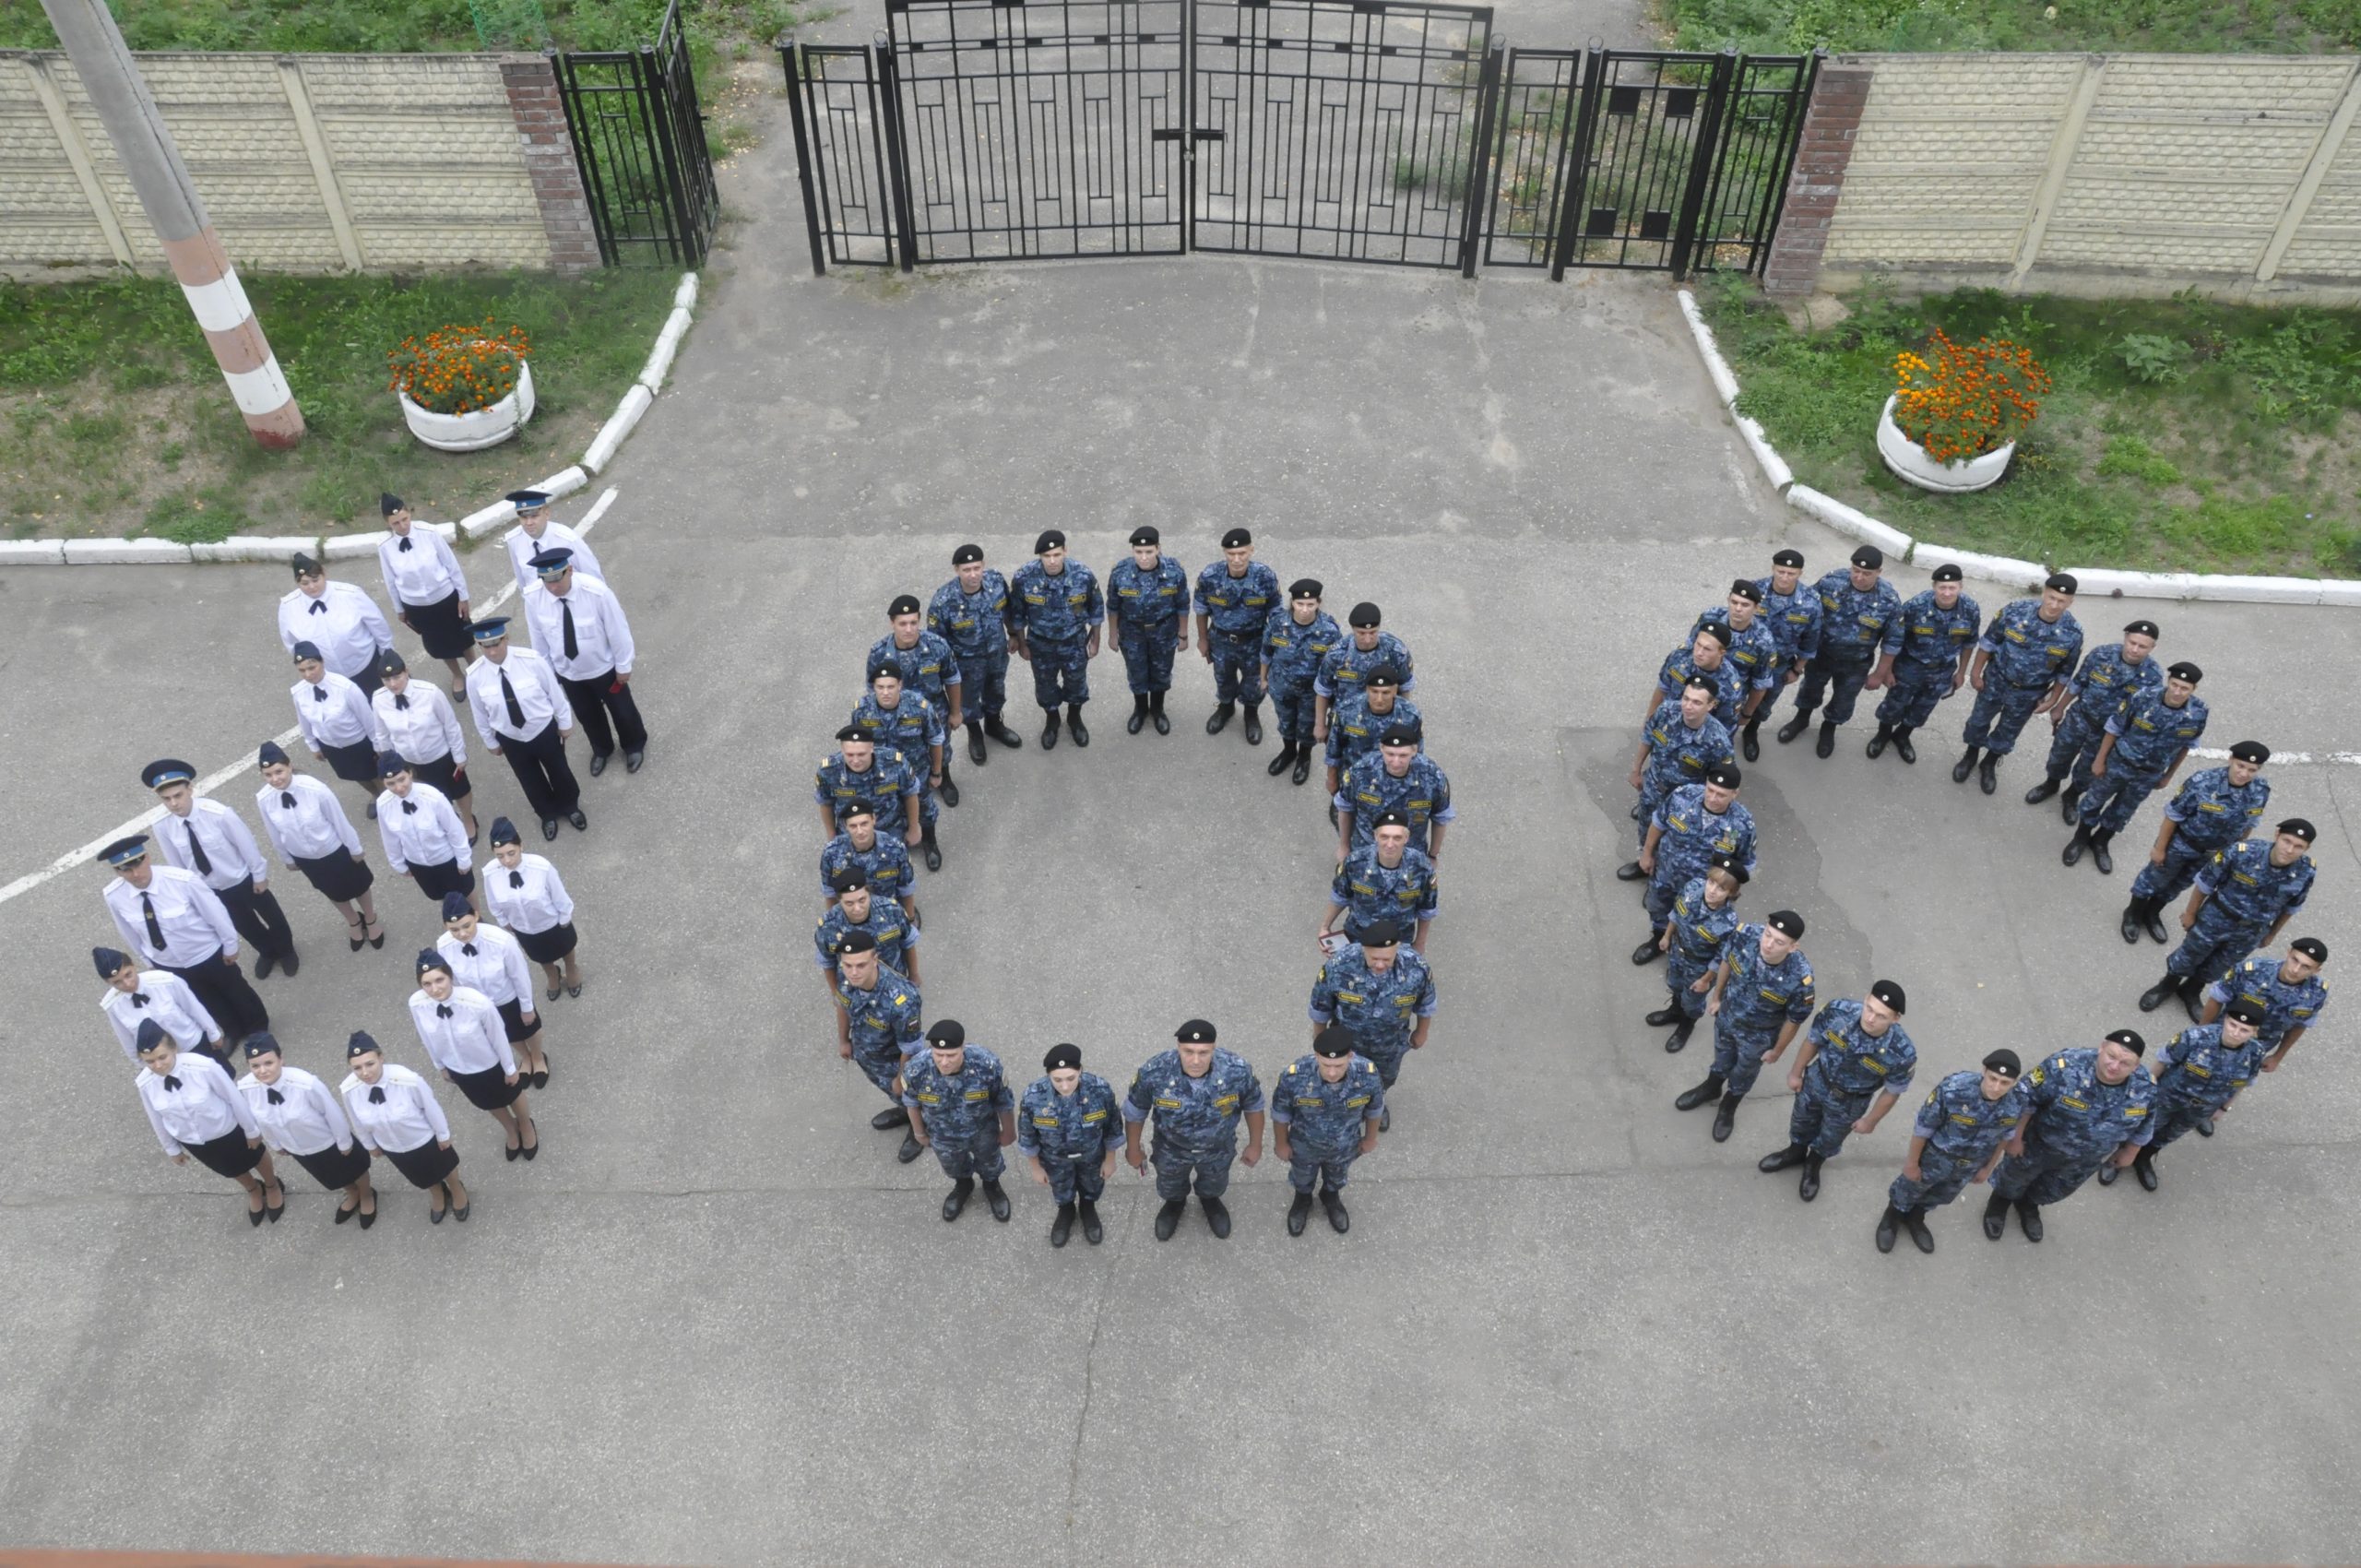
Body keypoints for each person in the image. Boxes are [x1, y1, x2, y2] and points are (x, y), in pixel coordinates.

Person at [1983, 1031, 2155, 1242]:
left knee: (2053, 1189)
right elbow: (2026, 1097)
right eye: (2111, 1056)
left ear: (2135, 1066)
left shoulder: (2145, 1087)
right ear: (2101, 1048)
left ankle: (2028, 1206)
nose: (2114, 1066)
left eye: (2125, 1063)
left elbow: (2147, 1119)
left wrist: (2132, 1150)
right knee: (2013, 1179)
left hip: (2085, 1160)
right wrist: (2016, 1138)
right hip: (2036, 1147)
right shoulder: (2064, 1067)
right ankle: (1999, 1204)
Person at [2139, 820, 2318, 1021]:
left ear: (2306, 848)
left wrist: (2272, 933)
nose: (2290, 849)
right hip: (2217, 918)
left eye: (2298, 846)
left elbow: (2291, 907)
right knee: (2189, 954)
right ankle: (2167, 985)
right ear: (2277, 835)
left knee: (2219, 965)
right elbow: (2205, 882)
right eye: (2287, 841)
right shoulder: (2243, 852)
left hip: (2251, 931)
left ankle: (2190, 991)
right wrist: (2190, 913)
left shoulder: (2306, 872)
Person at [1758, 980, 1915, 1201]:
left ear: (1895, 1018)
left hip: (1849, 1102)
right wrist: (1795, 1072)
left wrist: (1871, 1120)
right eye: (1870, 1008)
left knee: (1830, 1138)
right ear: (1866, 999)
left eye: (1881, 1016)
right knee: (1801, 1121)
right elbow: (1813, 1040)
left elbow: (1892, 1091)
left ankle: (1813, 1165)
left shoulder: (1902, 1052)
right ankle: (1795, 1152)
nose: (1870, 1018)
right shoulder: (1838, 1012)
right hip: (1816, 1082)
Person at [99, 833, 267, 1039]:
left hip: (206, 952)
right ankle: (232, 1030)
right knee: (204, 999)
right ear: (117, 872)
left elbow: (216, 914)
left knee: (236, 991)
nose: (136, 873)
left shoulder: (181, 881)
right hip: (168, 961)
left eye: (138, 864)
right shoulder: (114, 896)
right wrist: (147, 959)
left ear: (147, 858)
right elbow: (127, 931)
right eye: (126, 869)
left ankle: (258, 1027)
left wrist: (230, 945)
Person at [142, 756, 297, 980]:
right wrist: (190, 894)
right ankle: (267, 952)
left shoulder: (218, 813)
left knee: (271, 915)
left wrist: (259, 875)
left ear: (190, 789)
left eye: (178, 795)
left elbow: (246, 845)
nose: (174, 803)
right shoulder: (162, 825)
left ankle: (286, 950)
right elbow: (176, 863)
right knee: (242, 923)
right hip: (210, 888)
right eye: (166, 799)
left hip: (241, 878)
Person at [2102, 1000, 2268, 1193]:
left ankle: (2144, 1159)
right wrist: (2144, 1093)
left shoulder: (2255, 1053)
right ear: (2225, 1020)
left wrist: (2224, 1108)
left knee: (2168, 1136)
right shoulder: (2195, 1037)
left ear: (2254, 1032)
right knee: (2142, 1129)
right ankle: (2117, 1159)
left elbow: (2242, 1085)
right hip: (2166, 1098)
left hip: (2200, 1109)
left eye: (2244, 1030)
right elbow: (2163, 1062)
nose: (2235, 1033)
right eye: (2233, 1024)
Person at [1122, 1019, 1265, 1241]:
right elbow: (1135, 1112)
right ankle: (1174, 1204)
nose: (1196, 1060)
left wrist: (1255, 1144)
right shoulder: (1155, 1072)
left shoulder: (1236, 1071)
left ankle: (1210, 1201)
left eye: (1203, 1052)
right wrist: (1133, 1148)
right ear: (1178, 1047)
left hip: (1218, 1148)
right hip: (1171, 1149)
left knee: (1215, 1182)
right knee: (1170, 1185)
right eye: (1188, 1051)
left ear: (1214, 1048)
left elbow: (1254, 1106)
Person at [1678, 909, 1812, 1137]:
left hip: (1758, 1036)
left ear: (1792, 947)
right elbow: (1727, 962)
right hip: (1728, 1017)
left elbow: (1794, 1019)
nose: (1768, 944)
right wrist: (1717, 997)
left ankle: (1729, 1105)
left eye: (1779, 942)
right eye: (1768, 934)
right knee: (1721, 1057)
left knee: (1744, 1072)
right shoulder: (1746, 935)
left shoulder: (1800, 979)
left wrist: (1777, 1051)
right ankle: (1711, 1088)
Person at [2120, 741, 2271, 944]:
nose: (2244, 773)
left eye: (2252, 770)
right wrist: (2160, 847)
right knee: (2154, 879)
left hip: (2213, 854)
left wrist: (2234, 855)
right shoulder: (2203, 781)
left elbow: (2249, 823)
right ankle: (2133, 913)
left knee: (2178, 885)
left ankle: (2152, 912)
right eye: (2240, 766)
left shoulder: (2260, 791)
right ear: (2231, 760)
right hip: (2182, 844)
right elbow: (2173, 815)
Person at [1875, 1050, 2025, 1254]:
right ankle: (1891, 1218)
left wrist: (1988, 1168)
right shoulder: (1954, 1089)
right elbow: (1923, 1128)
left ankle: (1916, 1219)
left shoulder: (2015, 1104)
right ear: (1984, 1071)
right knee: (1909, 1189)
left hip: (1968, 1166)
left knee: (1939, 1196)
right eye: (1993, 1078)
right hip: (1934, 1159)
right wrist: (1912, 1163)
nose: (1996, 1087)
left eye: (2005, 1083)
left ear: (2014, 1083)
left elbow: (2004, 1138)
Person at [2064, 661, 2208, 873]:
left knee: (2123, 811)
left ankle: (2101, 842)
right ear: (2168, 681)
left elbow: (2186, 746)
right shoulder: (2143, 697)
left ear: (2193, 689)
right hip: (2120, 763)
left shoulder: (2198, 713)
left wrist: (2168, 775)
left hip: (2149, 774)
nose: (2177, 692)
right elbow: (2114, 727)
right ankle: (2080, 838)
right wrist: (2100, 759)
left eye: (2184, 688)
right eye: (2175, 685)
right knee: (2094, 801)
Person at [133, 1023, 280, 1226]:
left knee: (253, 1156)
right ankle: (254, 1189)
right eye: (150, 1061)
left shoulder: (203, 1067)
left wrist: (251, 1130)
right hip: (193, 1139)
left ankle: (272, 1185)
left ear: (174, 1049)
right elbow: (155, 1117)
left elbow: (233, 1098)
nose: (158, 1066)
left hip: (226, 1129)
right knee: (229, 1168)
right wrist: (171, 1148)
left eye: (162, 1057)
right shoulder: (145, 1082)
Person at [522, 546, 646, 778]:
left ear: (569, 570)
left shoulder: (596, 592)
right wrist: (547, 674)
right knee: (587, 714)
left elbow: (617, 630)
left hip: (604, 668)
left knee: (622, 710)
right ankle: (602, 749)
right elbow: (538, 638)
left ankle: (634, 744)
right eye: (546, 581)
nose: (552, 587)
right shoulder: (534, 597)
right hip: (568, 672)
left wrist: (623, 665)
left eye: (557, 580)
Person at [1954, 573, 2082, 794]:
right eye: (2051, 597)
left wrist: (2053, 699)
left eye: (2061, 601)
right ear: (2044, 592)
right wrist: (1975, 673)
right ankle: (1970, 755)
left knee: (2008, 731)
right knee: (1978, 721)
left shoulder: (2073, 633)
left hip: (2030, 693)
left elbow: (2065, 672)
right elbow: (1989, 642)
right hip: (1996, 680)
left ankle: (1989, 763)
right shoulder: (2015, 611)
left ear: (2071, 601)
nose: (2054, 605)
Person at [2026, 618, 2161, 820]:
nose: (2134, 649)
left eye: (2142, 646)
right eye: (2132, 642)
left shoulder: (2153, 677)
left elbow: (2142, 713)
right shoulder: (2101, 654)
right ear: (2125, 638)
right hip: (2080, 717)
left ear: (2152, 647)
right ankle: (2051, 784)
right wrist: (2059, 708)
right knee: (2060, 755)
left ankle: (2072, 795)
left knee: (2089, 770)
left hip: (2108, 733)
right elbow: (2078, 683)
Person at [254, 741, 382, 952]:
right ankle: (353, 921)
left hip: (333, 849)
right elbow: (274, 832)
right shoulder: (264, 799)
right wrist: (287, 858)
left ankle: (370, 917)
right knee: (332, 891)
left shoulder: (315, 789)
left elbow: (338, 820)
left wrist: (355, 848)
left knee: (359, 885)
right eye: (268, 775)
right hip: (305, 857)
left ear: (289, 766)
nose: (275, 779)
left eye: (279, 771)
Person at [463, 615, 583, 841]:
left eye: (496, 643)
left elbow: (554, 693)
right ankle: (547, 813)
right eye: (485, 646)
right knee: (529, 779)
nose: (491, 651)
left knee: (560, 771)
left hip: (543, 729)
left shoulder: (531, 660)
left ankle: (570, 806)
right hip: (511, 737)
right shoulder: (475, 676)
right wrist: (490, 741)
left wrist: (565, 722)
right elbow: (479, 712)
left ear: (506, 638)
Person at [1776, 544, 1902, 759]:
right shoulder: (1832, 581)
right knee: (1810, 689)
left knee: (1844, 699)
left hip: (1855, 663)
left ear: (1879, 572)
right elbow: (1807, 607)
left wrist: (1879, 674)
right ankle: (1802, 718)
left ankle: (1829, 728)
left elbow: (1892, 642)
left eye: (1867, 573)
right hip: (1821, 654)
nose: (1859, 577)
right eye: (1855, 570)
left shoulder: (1889, 600)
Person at [238, 1032, 375, 1228]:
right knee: (331, 1175)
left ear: (281, 1059)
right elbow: (261, 1120)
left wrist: (344, 1142)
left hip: (326, 1141)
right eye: (255, 1066)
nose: (262, 1071)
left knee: (355, 1168)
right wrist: (275, 1143)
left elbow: (332, 1113)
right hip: (297, 1147)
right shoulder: (247, 1088)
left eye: (268, 1063)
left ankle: (367, 1194)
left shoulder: (305, 1084)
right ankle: (352, 1193)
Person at [409, 949, 536, 1160]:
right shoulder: (417, 1004)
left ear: (450, 976)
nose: (435, 988)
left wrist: (510, 1068)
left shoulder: (477, 1003)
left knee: (512, 1095)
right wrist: (440, 1065)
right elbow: (425, 1035)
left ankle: (525, 1124)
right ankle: (511, 1129)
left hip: (489, 1064)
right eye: (427, 984)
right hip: (458, 1068)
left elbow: (499, 1037)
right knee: (488, 1103)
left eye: (439, 980)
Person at [1307, 920, 1435, 1129]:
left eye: (1387, 959)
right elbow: (1320, 1006)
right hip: (1345, 1040)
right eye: (1374, 958)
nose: (1380, 964)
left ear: (1397, 949)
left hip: (1390, 1042)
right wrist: (1319, 1039)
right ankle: (1343, 1108)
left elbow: (1426, 1003)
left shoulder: (1416, 968)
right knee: (1338, 1076)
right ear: (1363, 949)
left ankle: (1376, 1104)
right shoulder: (1339, 966)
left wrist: (1422, 1031)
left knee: (1384, 1078)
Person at [1631, 763, 1756, 968]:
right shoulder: (1683, 796)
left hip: (1705, 891)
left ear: (1735, 794)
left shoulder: (1742, 824)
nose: (1713, 798)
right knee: (1658, 909)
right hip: (1667, 874)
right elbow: (1658, 823)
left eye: (1721, 795)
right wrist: (1646, 854)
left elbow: (1746, 864)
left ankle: (1681, 957)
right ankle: (1658, 939)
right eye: (1711, 790)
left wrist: (1728, 893)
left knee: (1696, 929)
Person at [340, 1030, 469, 1224]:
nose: (365, 1073)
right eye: (357, 1068)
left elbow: (431, 1108)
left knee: (445, 1165)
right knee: (420, 1175)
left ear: (381, 1058)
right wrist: (370, 1145)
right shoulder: (349, 1090)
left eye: (370, 1064)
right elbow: (356, 1120)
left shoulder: (408, 1080)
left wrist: (443, 1135)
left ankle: (456, 1189)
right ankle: (437, 1193)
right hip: (392, 1146)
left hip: (423, 1139)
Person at [1274, 1025, 1385, 1237]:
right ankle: (1302, 1200)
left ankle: (1330, 1197)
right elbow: (1281, 1113)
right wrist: (1281, 1143)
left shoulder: (1368, 1074)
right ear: (1316, 1056)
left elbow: (1375, 1109)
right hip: (1304, 1145)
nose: (1332, 1072)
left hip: (1345, 1144)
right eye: (1326, 1065)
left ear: (1350, 1057)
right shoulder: (1295, 1076)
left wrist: (1370, 1138)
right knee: (1302, 1178)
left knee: (1337, 1176)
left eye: (1338, 1065)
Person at [903, 1019, 1016, 1222]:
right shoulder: (917, 1069)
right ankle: (963, 1186)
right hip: (942, 1134)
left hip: (982, 1131)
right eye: (939, 1055)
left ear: (962, 1049)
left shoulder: (986, 1064)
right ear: (932, 1051)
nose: (944, 1062)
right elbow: (911, 1101)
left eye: (951, 1055)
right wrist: (919, 1132)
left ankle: (992, 1187)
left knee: (990, 1164)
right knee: (953, 1166)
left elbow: (1003, 1099)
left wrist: (1009, 1131)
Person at [1867, 563, 1979, 763]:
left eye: (1952, 588)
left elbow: (1969, 642)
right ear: (1934, 586)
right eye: (1942, 587)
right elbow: (1895, 639)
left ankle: (1902, 736)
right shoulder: (1915, 606)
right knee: (1894, 704)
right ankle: (1882, 735)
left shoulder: (1970, 609)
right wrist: (1888, 671)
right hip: (1909, 666)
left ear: (1960, 587)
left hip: (1942, 670)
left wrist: (1962, 672)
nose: (1946, 593)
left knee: (1922, 708)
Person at [437, 892, 552, 1089]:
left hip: (507, 997)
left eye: (466, 925)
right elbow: (452, 980)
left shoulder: (501, 941)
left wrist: (526, 1006)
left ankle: (538, 1057)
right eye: (454, 930)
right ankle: (525, 1058)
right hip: (479, 1005)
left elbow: (520, 975)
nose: (462, 934)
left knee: (529, 1028)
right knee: (505, 1034)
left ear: (476, 915)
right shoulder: (444, 945)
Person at [831, 931, 925, 1163]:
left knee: (912, 1096)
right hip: (869, 1056)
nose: (854, 972)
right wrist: (844, 1040)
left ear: (875, 960)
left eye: (861, 965)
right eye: (848, 965)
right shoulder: (846, 979)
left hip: (896, 1062)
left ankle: (921, 1129)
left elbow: (911, 1048)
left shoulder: (901, 999)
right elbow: (842, 1006)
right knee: (895, 1095)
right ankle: (904, 1111)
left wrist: (900, 1079)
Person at [1019, 1042, 1122, 1247]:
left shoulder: (1100, 1090)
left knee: (1092, 1187)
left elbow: (1114, 1128)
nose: (1064, 1086)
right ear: (1048, 1075)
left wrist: (1110, 1160)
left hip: (1092, 1157)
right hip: (1054, 1160)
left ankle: (1087, 1209)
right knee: (1061, 1189)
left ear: (1080, 1071)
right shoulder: (1033, 1096)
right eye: (1057, 1080)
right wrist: (1035, 1167)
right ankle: (1066, 1212)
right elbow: (1027, 1135)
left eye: (1070, 1078)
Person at [928, 542, 1024, 762]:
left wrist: (1012, 634)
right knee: (968, 701)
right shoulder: (943, 601)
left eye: (977, 568)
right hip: (966, 665)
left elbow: (1007, 610)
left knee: (996, 692)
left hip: (997, 654)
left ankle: (993, 725)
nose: (973, 574)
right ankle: (975, 733)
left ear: (984, 566)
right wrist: (946, 672)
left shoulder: (996, 582)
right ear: (956, 570)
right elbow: (937, 643)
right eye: (966, 570)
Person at [1008, 529, 1104, 748]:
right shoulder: (1024, 577)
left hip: (1075, 642)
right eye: (1046, 556)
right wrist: (1022, 643)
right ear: (1039, 557)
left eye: (1057, 555)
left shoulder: (1083, 575)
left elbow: (1097, 608)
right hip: (1040, 644)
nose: (1052, 561)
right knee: (1045, 686)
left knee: (1077, 683)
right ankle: (1052, 720)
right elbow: (1018, 614)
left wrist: (1096, 640)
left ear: (1065, 552)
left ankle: (1074, 718)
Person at [1622, 678, 1732, 867]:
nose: (1688, 706)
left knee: (1675, 843)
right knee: (1646, 826)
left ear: (1711, 705)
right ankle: (1645, 860)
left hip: (1684, 802)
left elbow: (1720, 783)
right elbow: (1648, 738)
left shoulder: (1717, 741)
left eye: (1697, 702)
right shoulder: (1666, 712)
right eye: (1686, 698)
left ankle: (1661, 872)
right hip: (1653, 786)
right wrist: (1636, 770)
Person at [371, 649, 477, 843]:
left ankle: (469, 820)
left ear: (406, 672)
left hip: (440, 755)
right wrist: (389, 764)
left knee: (459, 790)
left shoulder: (429, 692)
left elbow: (450, 725)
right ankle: (450, 822)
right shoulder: (379, 699)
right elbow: (382, 734)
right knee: (430, 798)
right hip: (409, 763)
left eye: (397, 677)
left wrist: (459, 755)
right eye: (387, 680)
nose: (393, 684)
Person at [868, 594, 966, 802]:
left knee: (941, 747)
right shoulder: (878, 653)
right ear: (892, 623)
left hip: (936, 711)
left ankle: (943, 778)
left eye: (913, 622)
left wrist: (956, 712)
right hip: (895, 716)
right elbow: (873, 690)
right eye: (902, 623)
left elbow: (952, 679)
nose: (909, 629)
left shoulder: (937, 646)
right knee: (899, 755)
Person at [850, 664, 945, 873]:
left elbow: (936, 739)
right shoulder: (861, 711)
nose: (885, 692)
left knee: (925, 809)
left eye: (891, 686)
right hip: (880, 778)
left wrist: (937, 772)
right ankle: (899, 846)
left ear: (900, 685)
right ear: (872, 687)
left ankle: (930, 841)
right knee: (886, 813)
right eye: (880, 687)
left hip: (917, 772)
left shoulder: (919, 707)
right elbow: (856, 746)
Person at [375, 493, 473, 695]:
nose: (402, 526)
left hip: (446, 598)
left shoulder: (429, 532)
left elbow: (451, 564)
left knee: (463, 637)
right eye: (396, 523)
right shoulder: (385, 547)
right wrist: (399, 609)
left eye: (405, 519)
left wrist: (463, 596)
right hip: (417, 606)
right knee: (439, 644)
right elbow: (391, 581)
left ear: (409, 513)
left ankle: (476, 671)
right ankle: (457, 675)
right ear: (388, 523)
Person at [1648, 854, 1745, 1056]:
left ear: (1731, 893)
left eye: (1721, 888)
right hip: (1677, 950)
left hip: (1699, 967)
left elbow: (1722, 957)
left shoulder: (1728, 922)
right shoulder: (1693, 888)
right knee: (1674, 984)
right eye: (1711, 882)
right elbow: (1676, 912)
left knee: (1692, 1000)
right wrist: (1667, 936)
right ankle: (1674, 1011)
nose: (1712, 890)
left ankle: (1686, 1025)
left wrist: (1705, 980)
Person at [482, 817, 584, 1004]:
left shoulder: (540, 867)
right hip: (524, 929)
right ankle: (552, 976)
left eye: (511, 853)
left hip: (552, 923)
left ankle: (571, 969)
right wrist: (505, 922)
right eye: (500, 855)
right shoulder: (490, 873)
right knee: (539, 956)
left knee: (566, 948)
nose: (507, 860)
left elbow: (559, 896)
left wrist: (564, 919)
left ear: (521, 845)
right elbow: (493, 901)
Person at [1193, 527, 1280, 742]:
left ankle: (1251, 714)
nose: (1237, 559)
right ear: (1224, 553)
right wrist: (1203, 639)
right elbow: (1201, 609)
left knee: (1255, 682)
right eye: (1231, 554)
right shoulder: (1210, 576)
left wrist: (1273, 647)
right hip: (1221, 640)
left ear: (1251, 550)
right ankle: (1226, 708)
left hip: (1255, 642)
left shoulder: (1265, 577)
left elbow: (1276, 614)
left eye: (1242, 553)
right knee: (1223, 678)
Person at [2201, 938, 2328, 1084]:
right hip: (2226, 1032)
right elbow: (2217, 998)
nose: (2295, 970)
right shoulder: (2253, 970)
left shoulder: (2316, 993)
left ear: (2316, 970)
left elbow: (2300, 1025)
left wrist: (2278, 1057)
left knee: (2228, 1081)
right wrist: (2203, 1032)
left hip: (2259, 1045)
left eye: (2306, 967)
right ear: (2288, 953)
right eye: (2295, 960)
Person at [1107, 527, 1190, 735]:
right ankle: (1141, 709)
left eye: (1149, 552)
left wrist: (1183, 634)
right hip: (1132, 633)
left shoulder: (1174, 571)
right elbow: (1113, 606)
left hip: (1164, 631)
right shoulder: (1120, 572)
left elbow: (1182, 604)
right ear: (1133, 551)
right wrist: (1112, 635)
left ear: (1158, 549)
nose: (1143, 557)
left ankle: (1158, 710)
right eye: (1138, 552)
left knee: (1161, 672)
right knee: (1137, 672)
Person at [276, 552, 394, 697]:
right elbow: (292, 643)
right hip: (330, 676)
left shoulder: (350, 594)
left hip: (366, 665)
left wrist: (387, 653)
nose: (312, 587)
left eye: (315, 580)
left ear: (324, 574)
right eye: (304, 583)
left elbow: (377, 624)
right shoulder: (288, 606)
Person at [290, 639, 384, 820]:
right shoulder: (298, 692)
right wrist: (314, 746)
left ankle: (388, 798)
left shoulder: (345, 687)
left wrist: (378, 745)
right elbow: (304, 721)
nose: (308, 674)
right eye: (302, 670)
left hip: (357, 741)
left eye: (312, 667)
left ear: (322, 662)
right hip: (330, 744)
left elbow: (367, 718)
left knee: (376, 774)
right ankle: (375, 795)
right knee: (356, 775)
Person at [1743, 549, 1822, 761]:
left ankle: (1751, 731)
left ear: (1800, 574)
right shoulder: (1753, 591)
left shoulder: (1810, 602)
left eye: (1791, 573)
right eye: (1781, 571)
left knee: (1764, 703)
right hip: (1744, 660)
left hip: (1778, 666)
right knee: (1730, 697)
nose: (1785, 577)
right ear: (1773, 569)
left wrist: (1797, 669)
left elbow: (1810, 641)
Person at [1336, 726, 1454, 866]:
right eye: (1390, 754)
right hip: (1365, 852)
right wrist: (1344, 846)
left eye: (1403, 755)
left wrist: (1433, 855)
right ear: (1381, 749)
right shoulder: (1360, 772)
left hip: (1410, 857)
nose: (1396, 761)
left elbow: (1441, 818)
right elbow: (1345, 808)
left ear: (1414, 751)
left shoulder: (1432, 777)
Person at [1323, 810, 1439, 951]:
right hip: (1358, 938)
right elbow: (1340, 896)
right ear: (1375, 836)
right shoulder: (1355, 862)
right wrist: (1325, 927)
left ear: (1406, 838)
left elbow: (1426, 909)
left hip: (1399, 942)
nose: (1390, 844)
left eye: (1397, 838)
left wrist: (1420, 943)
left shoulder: (1422, 867)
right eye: (1384, 837)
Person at [1262, 578, 1342, 780]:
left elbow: (1335, 666)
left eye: (1310, 604)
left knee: (1307, 727)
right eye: (1300, 604)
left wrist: (1333, 695)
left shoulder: (1329, 631)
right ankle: (1289, 751)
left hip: (1311, 693)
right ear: (1292, 603)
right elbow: (1266, 652)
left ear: (1318, 603)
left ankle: (1304, 757)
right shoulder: (1279, 623)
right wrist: (1263, 678)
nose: (1305, 609)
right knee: (1286, 722)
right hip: (1281, 686)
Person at [94, 945, 225, 1069]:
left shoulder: (166, 981)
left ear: (133, 966)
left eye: (128, 974)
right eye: (117, 982)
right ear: (107, 983)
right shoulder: (113, 1005)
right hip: (160, 1062)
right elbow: (125, 1038)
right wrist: (141, 1064)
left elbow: (194, 1008)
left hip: (192, 1044)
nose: (127, 984)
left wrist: (213, 1033)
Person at [374, 754, 475, 912]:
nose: (399, 787)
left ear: (410, 773)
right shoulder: (383, 804)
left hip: (446, 858)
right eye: (391, 784)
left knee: (466, 891)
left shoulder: (432, 797)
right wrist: (398, 863)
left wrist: (463, 858)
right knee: (439, 895)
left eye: (402, 779)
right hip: (418, 863)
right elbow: (389, 836)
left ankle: (476, 917)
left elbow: (454, 830)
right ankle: (454, 918)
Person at [1323, 666, 1421, 825]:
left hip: (1393, 782)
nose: (1379, 698)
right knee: (1347, 821)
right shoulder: (1347, 711)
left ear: (1395, 690)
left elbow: (1416, 755)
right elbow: (1334, 748)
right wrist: (1332, 778)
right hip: (1354, 779)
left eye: (1385, 692)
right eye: (1374, 691)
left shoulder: (1410, 716)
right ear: (1366, 689)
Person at [1312, 602, 1416, 744]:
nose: (1368, 639)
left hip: (1385, 723)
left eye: (1373, 632)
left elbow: (1405, 687)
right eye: (1361, 633)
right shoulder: (1337, 654)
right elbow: (1323, 690)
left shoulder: (1396, 651)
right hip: (1347, 723)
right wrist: (1320, 725)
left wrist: (1402, 720)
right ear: (1353, 629)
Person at [1689, 579, 1782, 731]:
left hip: (1728, 700)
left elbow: (1761, 683)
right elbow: (1690, 647)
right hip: (1695, 690)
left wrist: (1746, 714)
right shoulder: (1710, 618)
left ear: (1756, 608)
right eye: (1734, 602)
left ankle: (1750, 736)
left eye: (1745, 605)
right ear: (1728, 600)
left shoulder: (1763, 641)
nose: (1737, 609)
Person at [814, 867, 919, 992]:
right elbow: (827, 962)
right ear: (839, 901)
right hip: (854, 990)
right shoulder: (828, 926)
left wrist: (914, 976)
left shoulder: (891, 911)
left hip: (894, 983)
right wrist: (836, 993)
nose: (857, 908)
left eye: (862, 900)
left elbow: (908, 943)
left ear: (869, 894)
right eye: (849, 903)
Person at [819, 801, 919, 921]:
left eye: (864, 824)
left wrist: (910, 918)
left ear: (873, 820)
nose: (860, 831)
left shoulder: (895, 849)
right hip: (852, 915)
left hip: (888, 913)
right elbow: (829, 892)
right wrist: (834, 923)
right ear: (846, 826)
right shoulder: (832, 853)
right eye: (853, 826)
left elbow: (906, 888)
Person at [501, 489, 605, 597]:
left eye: (534, 516)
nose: (529, 523)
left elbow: (594, 578)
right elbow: (522, 580)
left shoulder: (567, 540)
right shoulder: (514, 540)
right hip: (542, 607)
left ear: (547, 514)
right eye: (523, 517)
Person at [1646, 623, 1749, 731]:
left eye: (1707, 649)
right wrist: (1649, 722)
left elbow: (1725, 728)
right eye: (1698, 644)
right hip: (1666, 725)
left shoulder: (1730, 686)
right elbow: (1662, 689)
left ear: (1721, 652)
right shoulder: (1679, 657)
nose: (1699, 653)